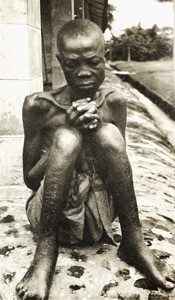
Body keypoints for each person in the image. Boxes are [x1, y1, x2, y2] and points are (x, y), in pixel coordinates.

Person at [16, 19, 175, 300]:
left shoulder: (114, 102)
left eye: (92, 62)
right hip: (52, 216)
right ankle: (45, 254)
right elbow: (30, 180)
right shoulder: (38, 106)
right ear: (60, 61)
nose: (84, 73)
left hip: (100, 215)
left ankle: (133, 241)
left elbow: (118, 169)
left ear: (106, 56)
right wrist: (67, 136)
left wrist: (95, 130)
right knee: (67, 138)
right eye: (72, 65)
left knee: (110, 135)